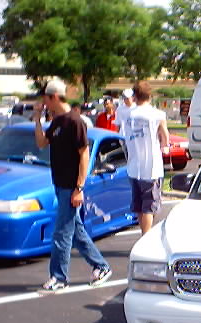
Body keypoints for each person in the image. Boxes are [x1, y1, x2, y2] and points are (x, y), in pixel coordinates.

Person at [33, 78, 112, 291]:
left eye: (45, 99)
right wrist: (38, 120)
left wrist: (79, 188)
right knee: (75, 231)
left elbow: (84, 154)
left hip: (71, 186)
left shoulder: (74, 121)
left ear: (54, 97)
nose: (44, 103)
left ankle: (59, 277)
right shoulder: (57, 121)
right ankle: (101, 266)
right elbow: (41, 143)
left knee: (61, 233)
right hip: (60, 184)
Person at [123, 81, 170, 234]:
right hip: (151, 167)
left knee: (139, 206)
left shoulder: (127, 115)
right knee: (149, 206)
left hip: (133, 166)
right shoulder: (158, 115)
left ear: (135, 96)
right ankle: (146, 236)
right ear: (150, 96)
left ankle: (143, 232)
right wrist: (164, 146)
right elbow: (165, 137)